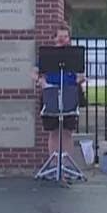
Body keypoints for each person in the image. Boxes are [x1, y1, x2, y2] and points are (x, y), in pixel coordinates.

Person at [32, 24, 86, 164]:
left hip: (69, 94)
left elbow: (81, 75)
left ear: (69, 39)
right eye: (59, 36)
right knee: (53, 132)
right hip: (51, 95)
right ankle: (54, 164)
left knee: (67, 132)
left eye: (65, 37)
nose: (62, 40)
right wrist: (41, 82)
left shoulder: (74, 56)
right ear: (54, 38)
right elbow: (34, 72)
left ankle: (67, 166)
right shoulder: (47, 56)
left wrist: (79, 80)